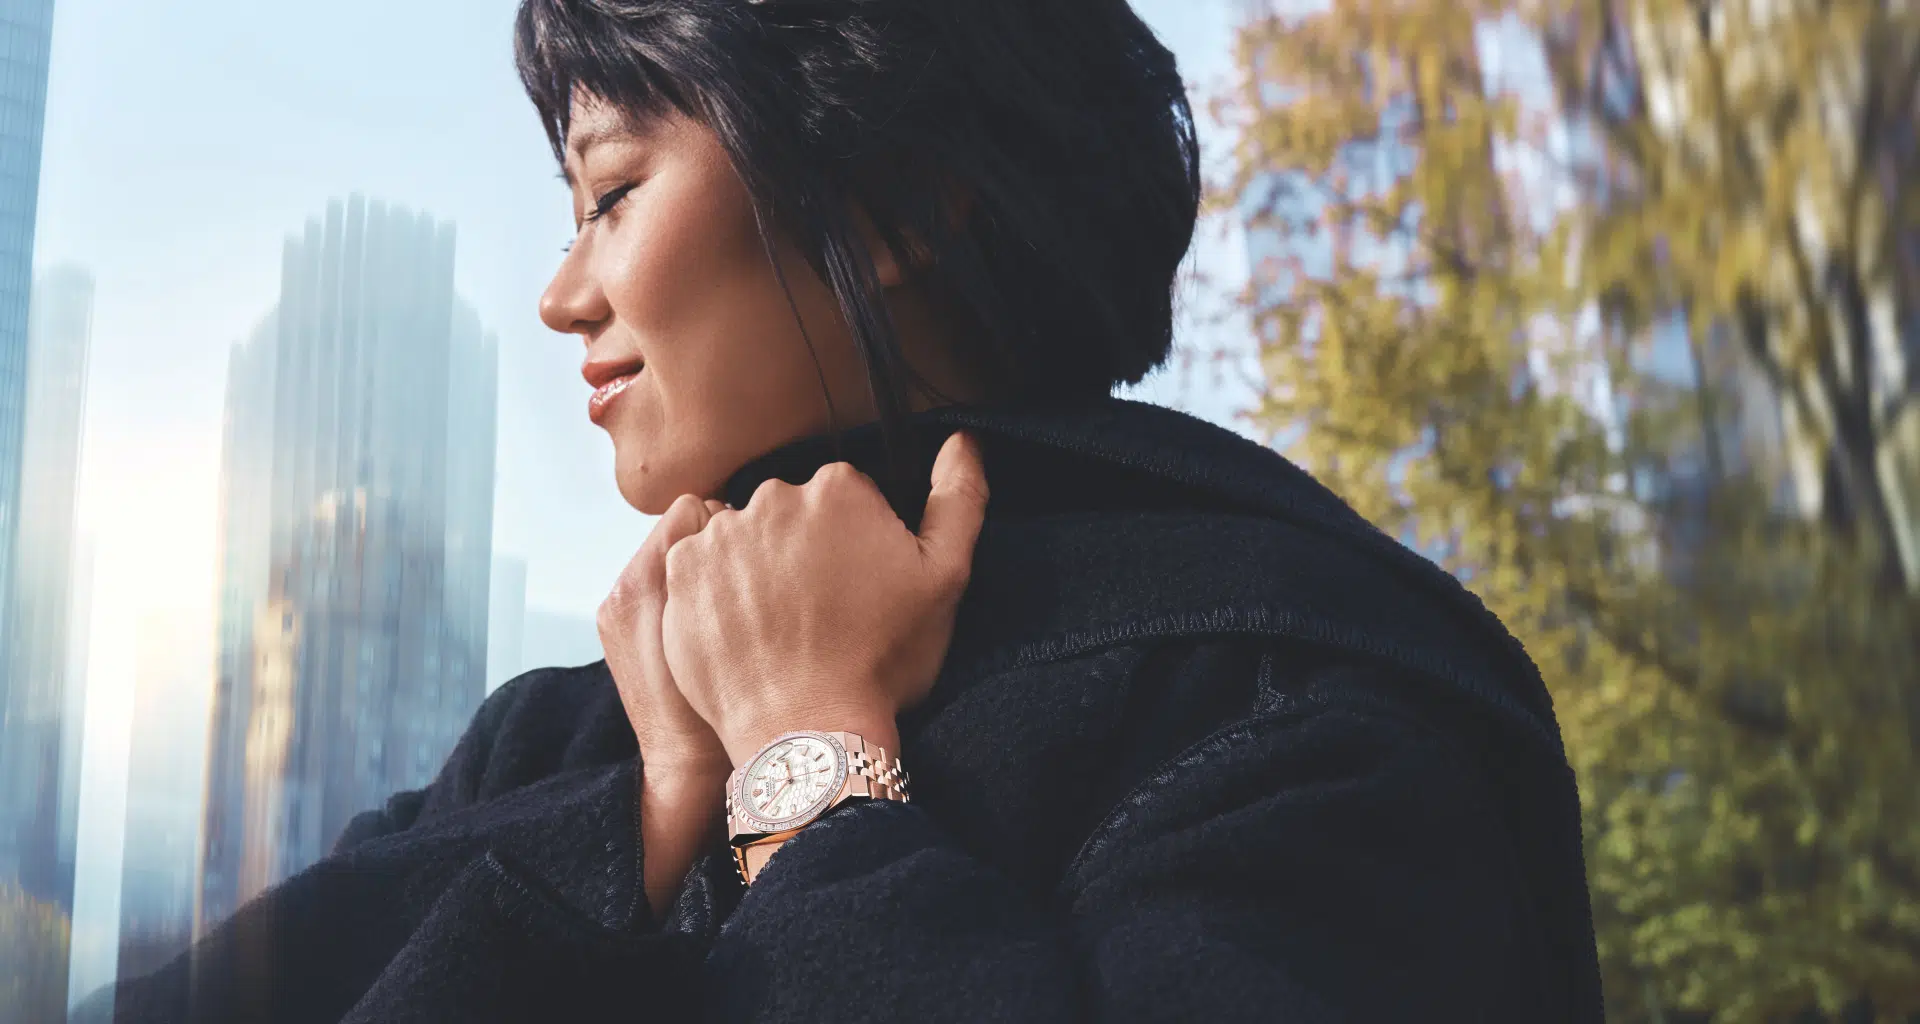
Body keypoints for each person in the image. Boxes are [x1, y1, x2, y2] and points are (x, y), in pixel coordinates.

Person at [96, 0, 1605, 1020]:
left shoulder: (1282, 690)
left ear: (895, 207)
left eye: (611, 194)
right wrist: (646, 827)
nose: (560, 294)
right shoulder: (563, 744)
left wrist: (810, 772)